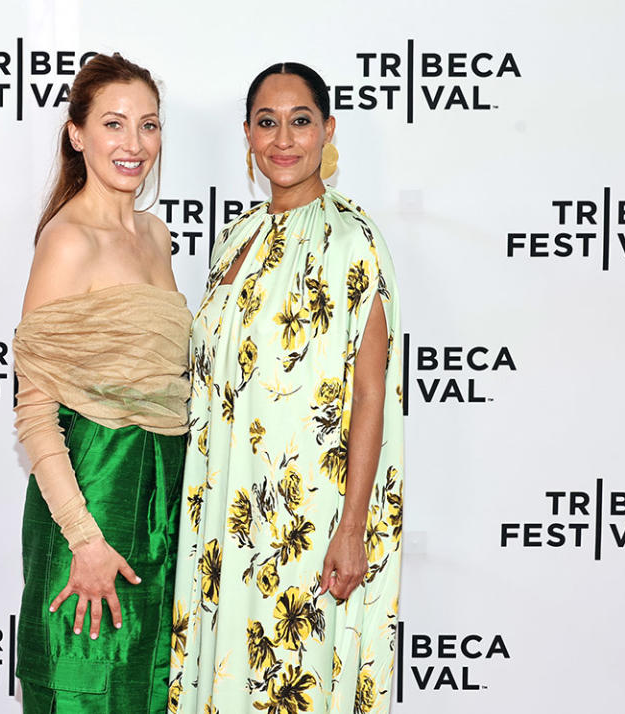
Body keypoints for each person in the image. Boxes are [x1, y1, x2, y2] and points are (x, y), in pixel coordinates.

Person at [169, 62, 403, 714]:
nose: (283, 138)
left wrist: (352, 526)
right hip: (226, 518)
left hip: (306, 523)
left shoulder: (353, 241)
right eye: (267, 123)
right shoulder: (234, 238)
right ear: (247, 134)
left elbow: (370, 393)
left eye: (300, 121)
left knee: (291, 688)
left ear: (328, 129)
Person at [12, 53, 191, 714]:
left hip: (160, 500)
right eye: (114, 124)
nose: (134, 144)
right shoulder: (67, 242)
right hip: (93, 494)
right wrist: (83, 538)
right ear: (76, 134)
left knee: (147, 693)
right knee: (83, 692)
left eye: (148, 125)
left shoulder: (155, 234)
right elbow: (34, 411)